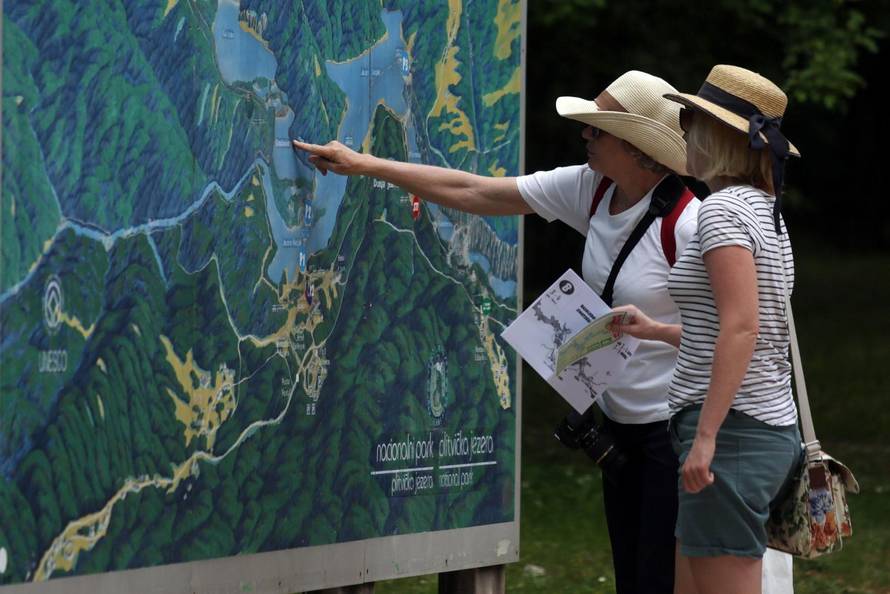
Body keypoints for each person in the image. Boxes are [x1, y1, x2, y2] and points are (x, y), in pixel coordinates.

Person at [295, 70, 699, 594]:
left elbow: (736, 336)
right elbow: (475, 192)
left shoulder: (689, 226)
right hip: (617, 428)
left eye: (597, 130)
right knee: (633, 577)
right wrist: (365, 165)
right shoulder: (594, 190)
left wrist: (655, 331)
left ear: (637, 147)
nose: (585, 136)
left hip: (674, 433)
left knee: (660, 580)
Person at [612, 65, 803, 594]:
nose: (682, 133)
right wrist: (659, 331)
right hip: (757, 428)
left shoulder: (719, 211)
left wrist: (707, 437)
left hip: (733, 433)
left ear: (716, 137)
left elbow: (742, 329)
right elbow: (747, 326)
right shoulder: (766, 208)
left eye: (691, 121)